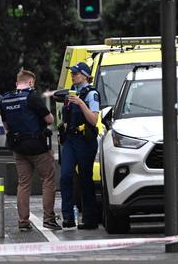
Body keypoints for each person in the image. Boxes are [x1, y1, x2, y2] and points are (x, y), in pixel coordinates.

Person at [1, 69, 61, 231]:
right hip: (37, 147)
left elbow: (6, 126)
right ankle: (48, 219)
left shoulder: (5, 99)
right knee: (48, 179)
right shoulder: (32, 97)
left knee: (23, 184)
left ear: (16, 82)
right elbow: (49, 119)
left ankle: (23, 221)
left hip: (18, 148)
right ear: (30, 82)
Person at [60, 62, 100, 230]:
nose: (72, 75)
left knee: (85, 179)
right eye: (72, 73)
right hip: (70, 139)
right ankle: (68, 217)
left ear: (84, 75)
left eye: (75, 73)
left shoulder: (91, 94)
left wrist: (80, 103)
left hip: (85, 141)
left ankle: (90, 219)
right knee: (65, 176)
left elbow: (93, 119)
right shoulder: (71, 92)